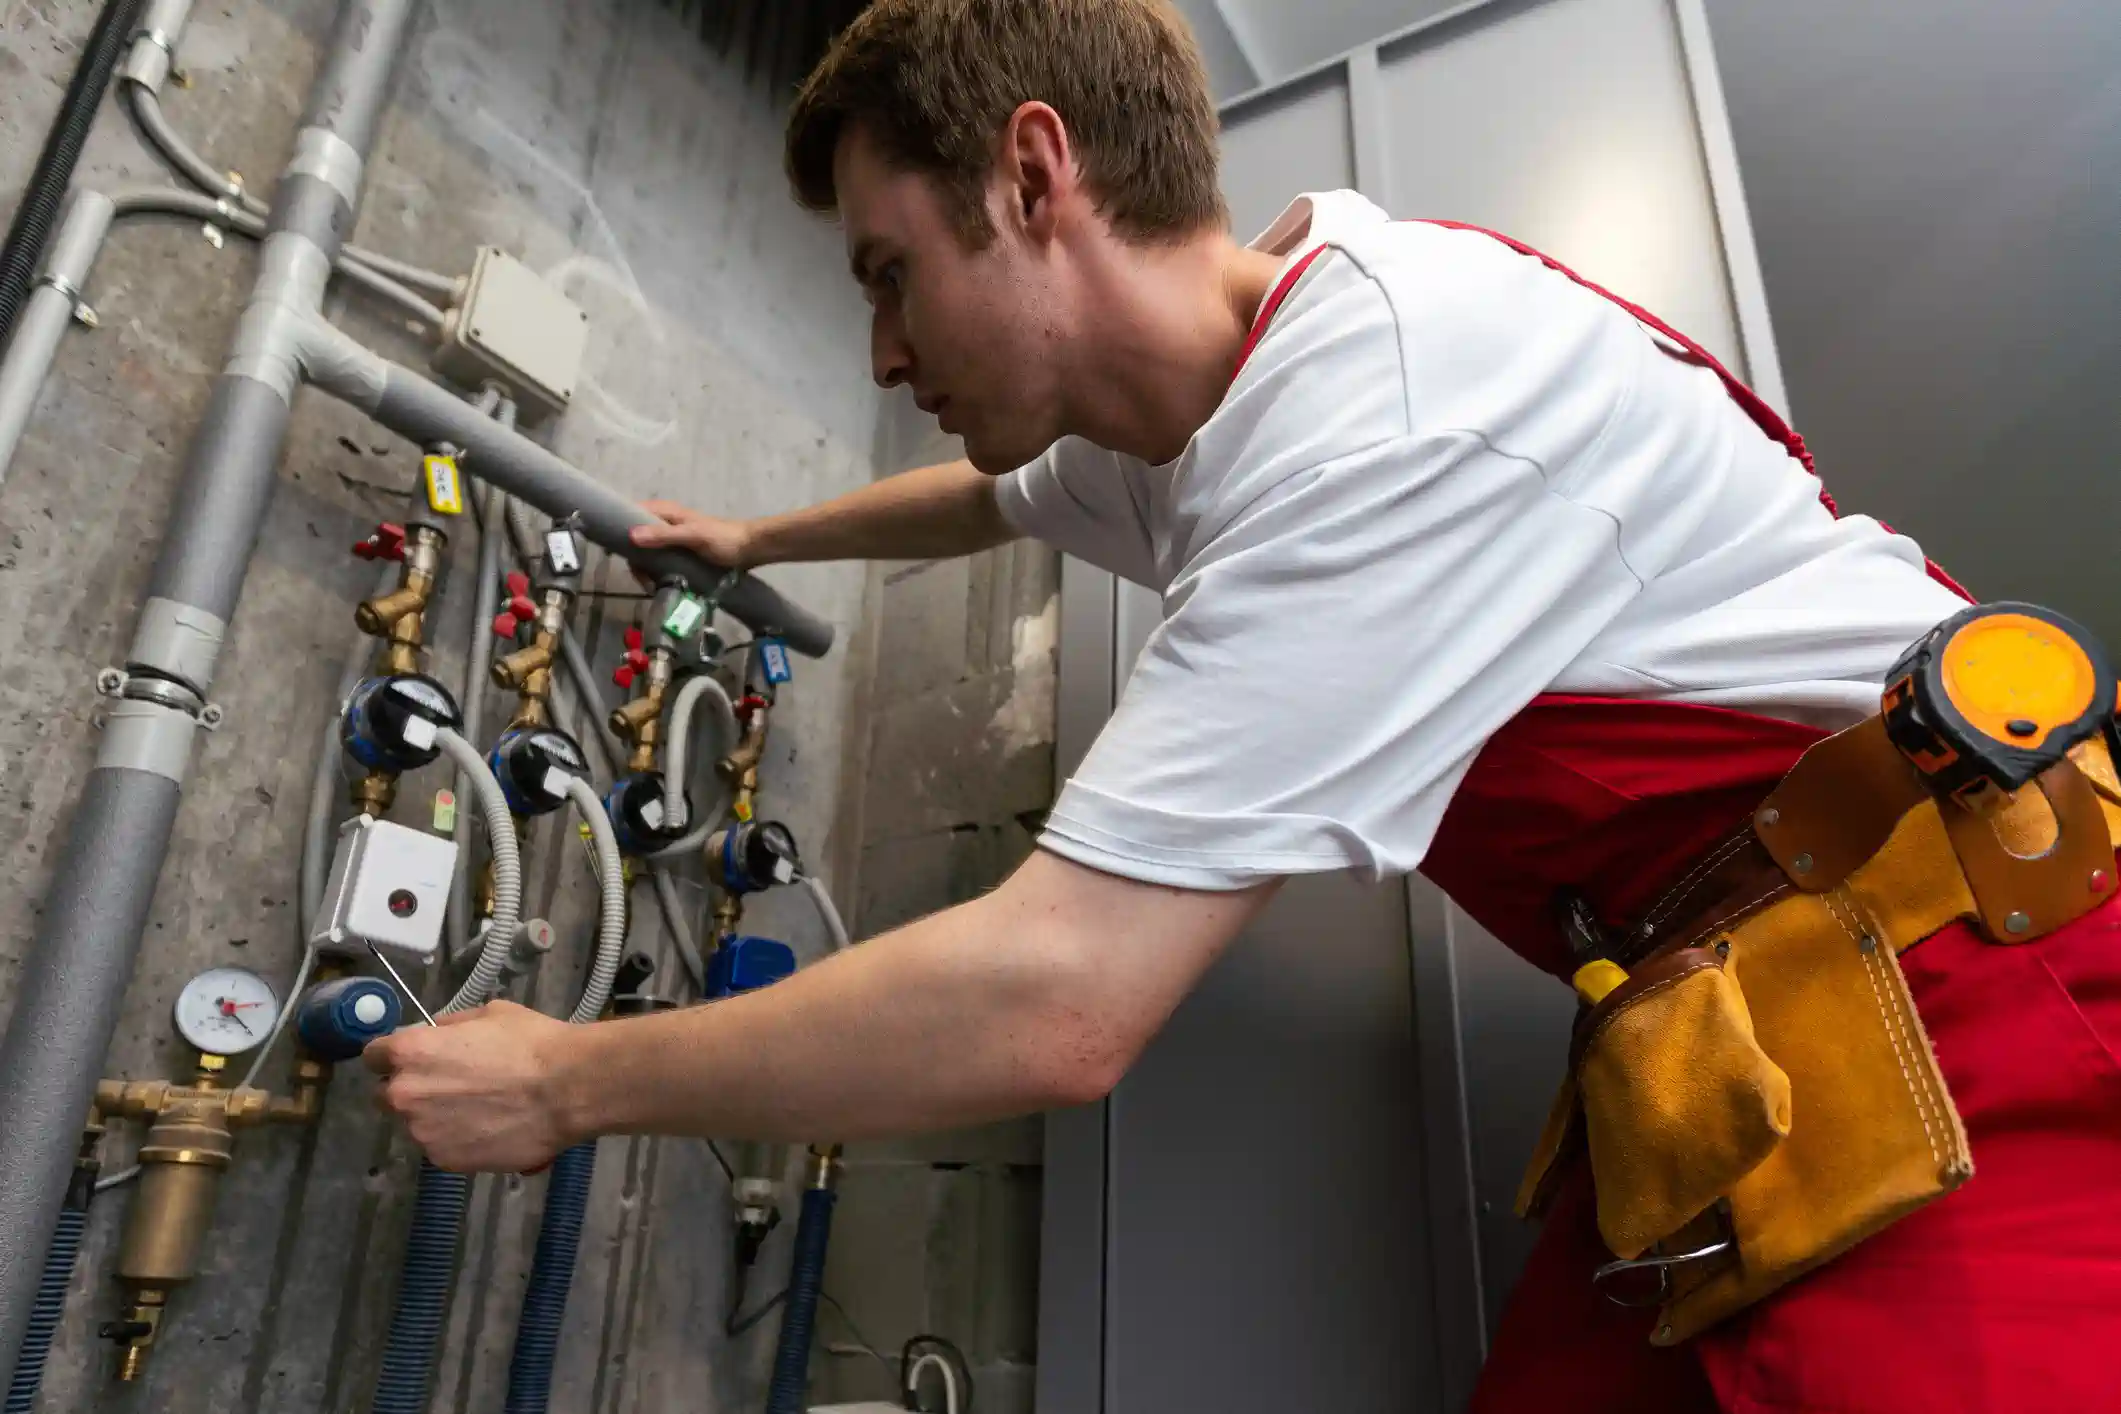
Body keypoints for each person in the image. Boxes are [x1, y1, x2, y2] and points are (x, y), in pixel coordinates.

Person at [364, 2, 2121, 1409]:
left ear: (1031, 174)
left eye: (892, 269)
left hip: (1984, 995)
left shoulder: (1381, 421)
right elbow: (990, 500)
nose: (885, 356)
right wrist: (761, 535)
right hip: (1749, 1024)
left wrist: (567, 1083)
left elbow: (1061, 1002)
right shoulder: (1210, 409)